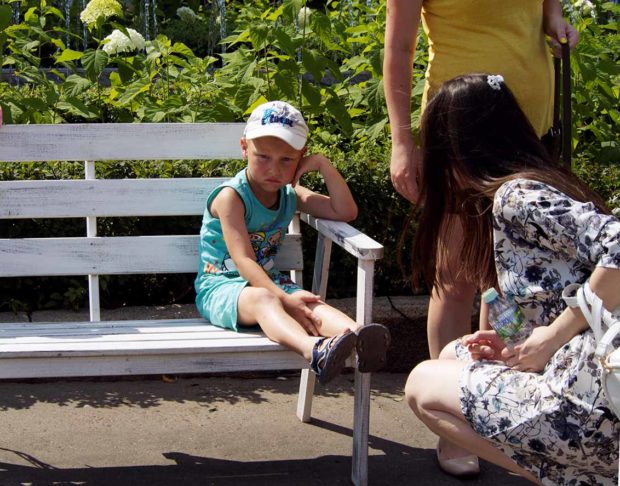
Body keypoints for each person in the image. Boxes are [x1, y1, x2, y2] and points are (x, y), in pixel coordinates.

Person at [404, 73, 620, 484]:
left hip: (594, 409)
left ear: (456, 147)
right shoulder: (538, 186)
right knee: (453, 354)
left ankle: (581, 478)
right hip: (592, 386)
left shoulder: (516, 196)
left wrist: (554, 335)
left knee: (421, 384)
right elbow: (559, 292)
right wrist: (515, 345)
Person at [384, 0, 581, 364]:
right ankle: (448, 392)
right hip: (461, 138)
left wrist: (553, 19)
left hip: (531, 134)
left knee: (511, 279)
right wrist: (402, 142)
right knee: (455, 277)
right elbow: (398, 49)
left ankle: (498, 397)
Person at [194, 100, 391, 385]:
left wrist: (322, 164)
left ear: (301, 157)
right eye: (263, 157)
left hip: (271, 285)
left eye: (286, 159)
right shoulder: (231, 197)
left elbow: (345, 211)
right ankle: (315, 351)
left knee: (311, 304)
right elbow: (244, 260)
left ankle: (360, 338)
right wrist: (284, 298)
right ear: (244, 148)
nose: (273, 169)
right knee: (267, 298)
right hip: (222, 288)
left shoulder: (290, 195)